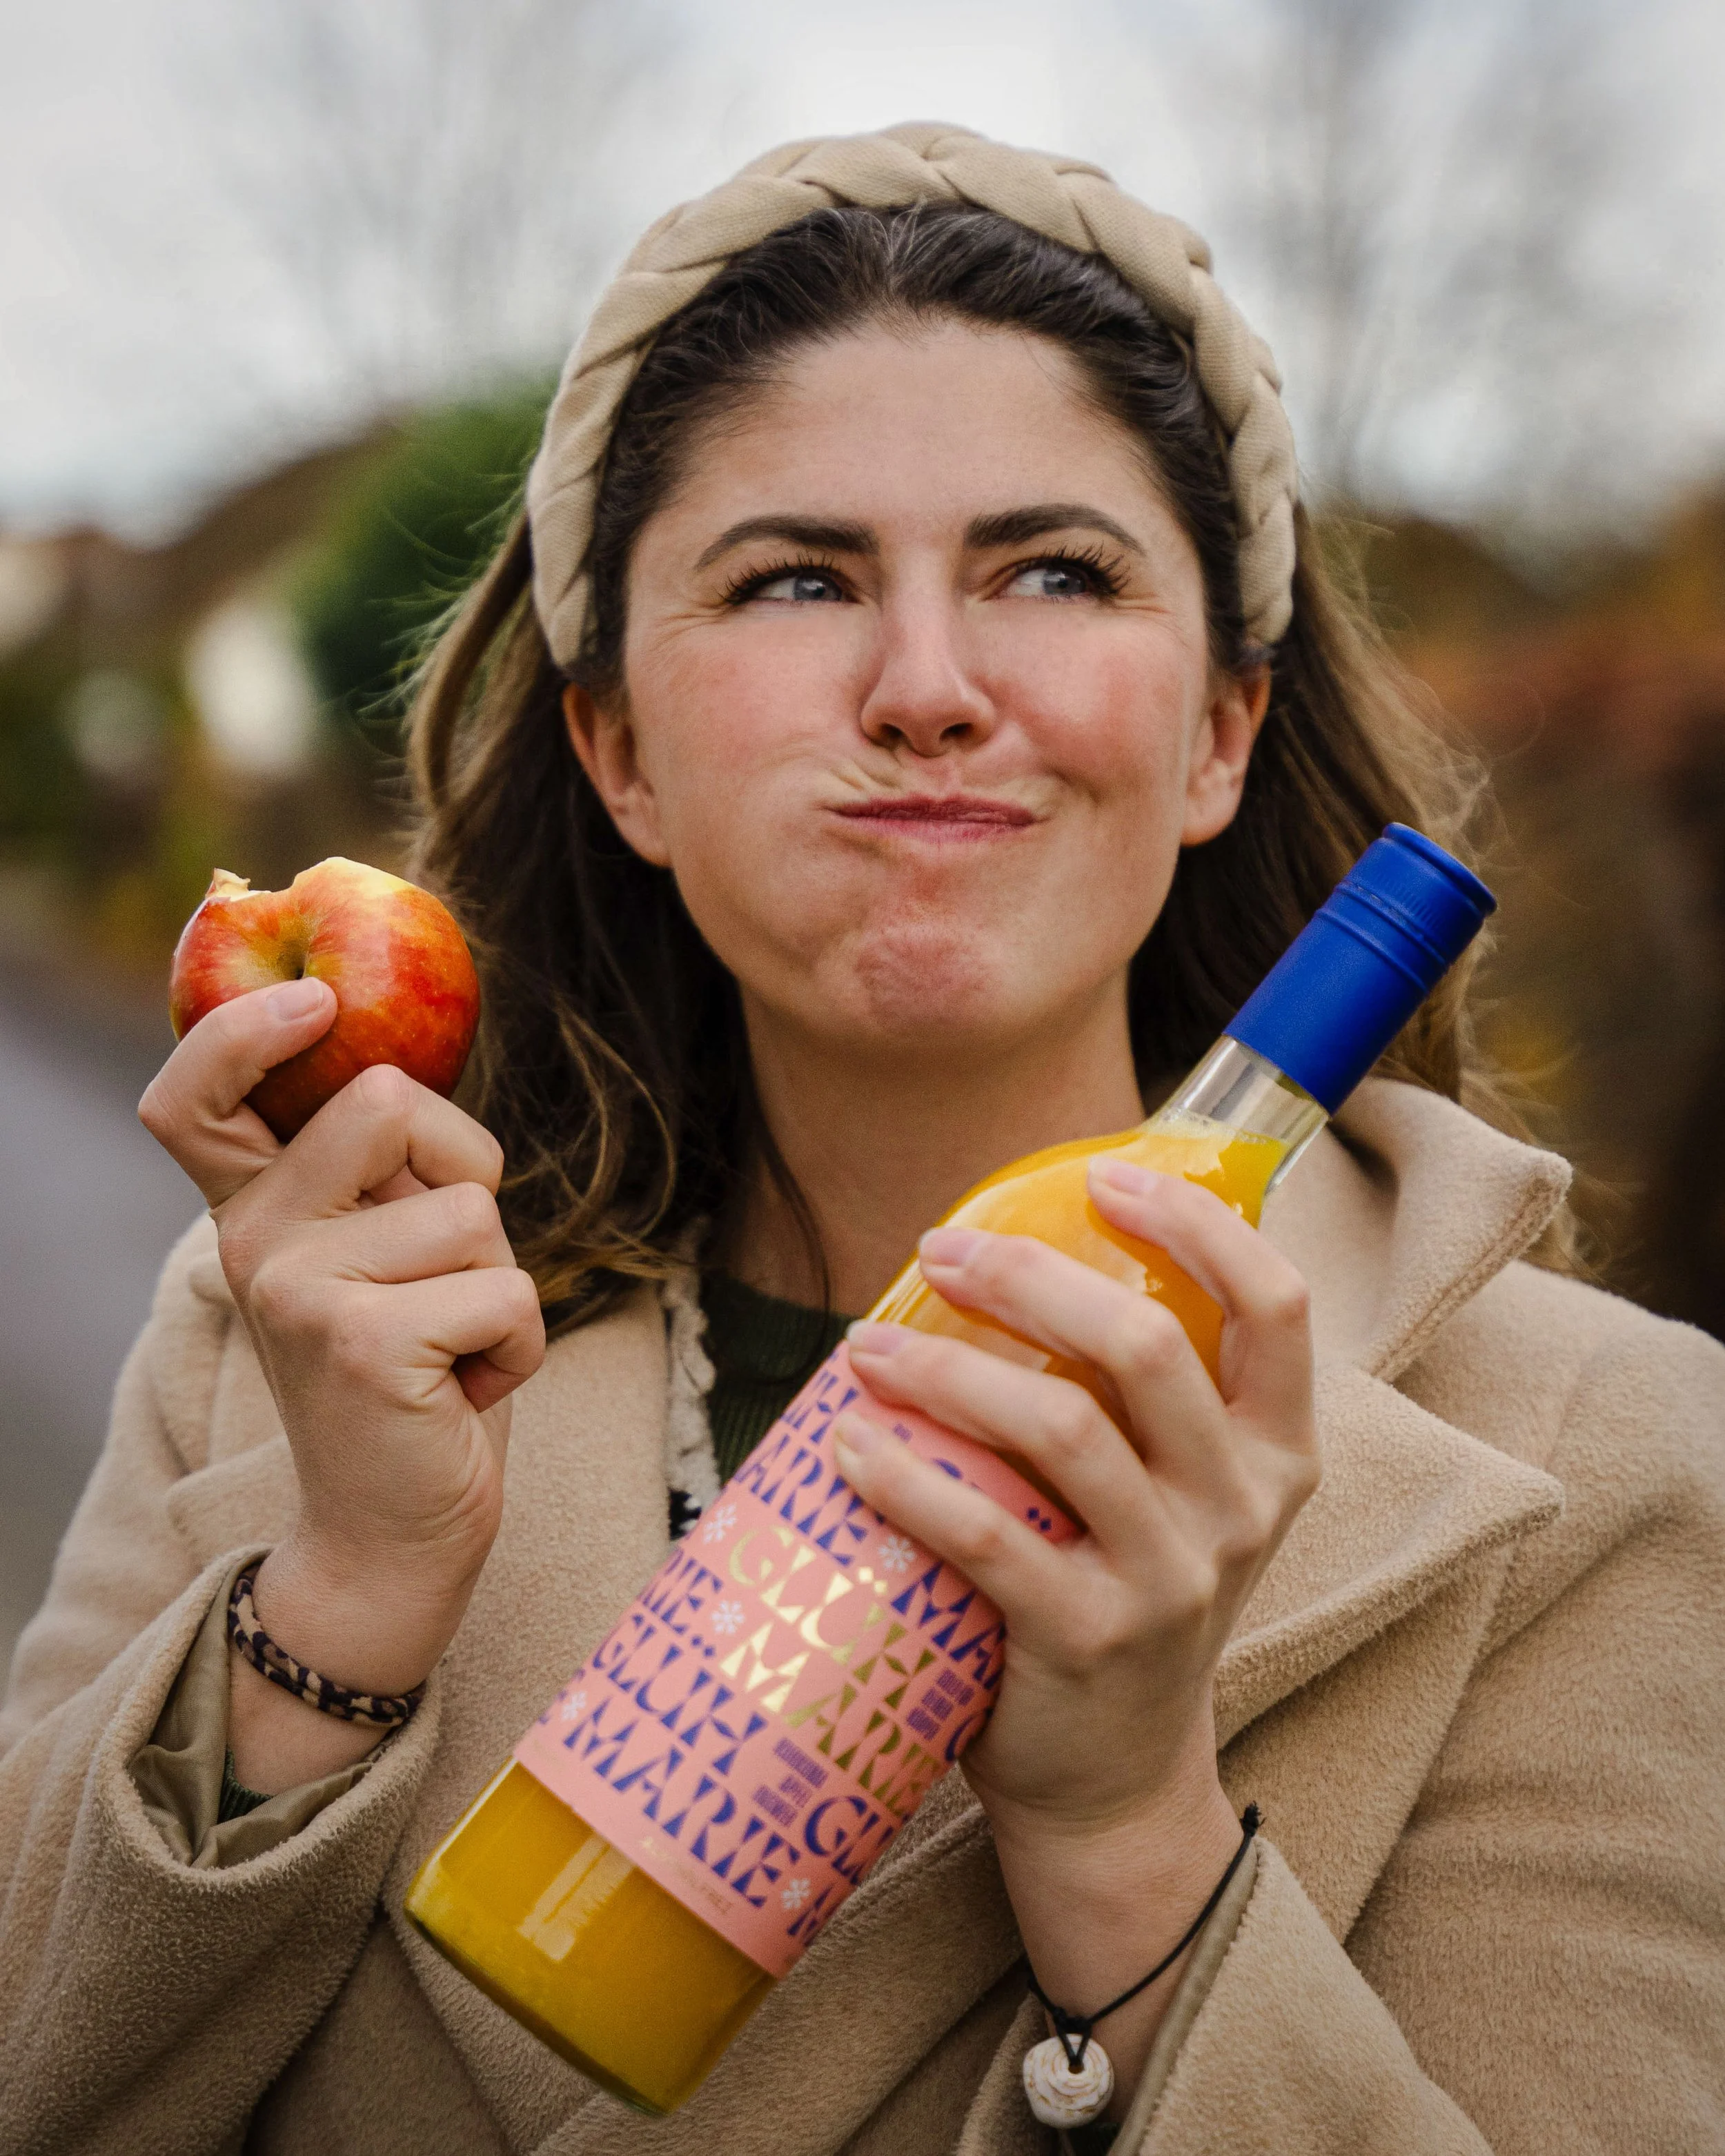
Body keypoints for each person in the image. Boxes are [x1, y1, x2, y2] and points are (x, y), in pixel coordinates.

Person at [1, 124, 1720, 2156]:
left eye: (1053, 572)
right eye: (797, 578)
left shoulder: (1604, 1462)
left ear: (1217, 734)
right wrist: (344, 1607)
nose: (926, 689)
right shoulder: (282, 1341)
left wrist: (1127, 1845)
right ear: (620, 746)